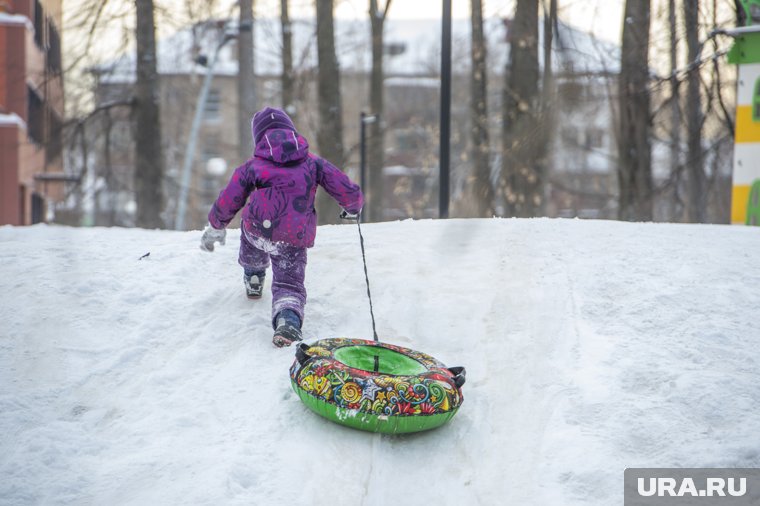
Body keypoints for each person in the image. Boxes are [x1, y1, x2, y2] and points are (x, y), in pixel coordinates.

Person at [200, 107, 363, 347]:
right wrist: (353, 206)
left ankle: (254, 275)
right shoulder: (313, 163)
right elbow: (342, 185)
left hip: (257, 228)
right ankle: (287, 322)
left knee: (251, 237)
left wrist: (216, 225)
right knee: (289, 283)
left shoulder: (253, 166)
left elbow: (230, 198)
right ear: (291, 132)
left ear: (259, 138)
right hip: (293, 236)